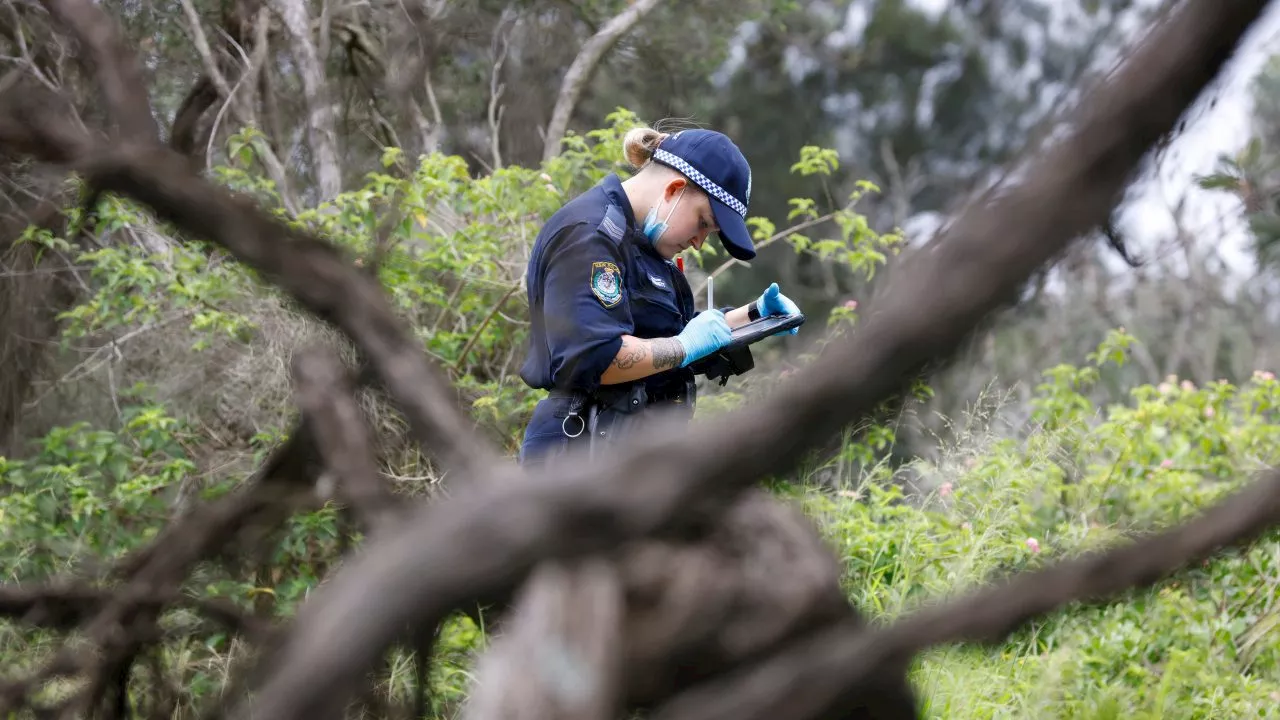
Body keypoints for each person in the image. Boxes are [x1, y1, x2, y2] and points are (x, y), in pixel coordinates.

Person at [516, 124, 803, 468]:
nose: (699, 242)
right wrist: (684, 348)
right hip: (578, 452)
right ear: (675, 189)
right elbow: (598, 357)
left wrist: (756, 316)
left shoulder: (644, 244)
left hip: (630, 452)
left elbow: (665, 338)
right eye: (702, 223)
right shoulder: (590, 235)